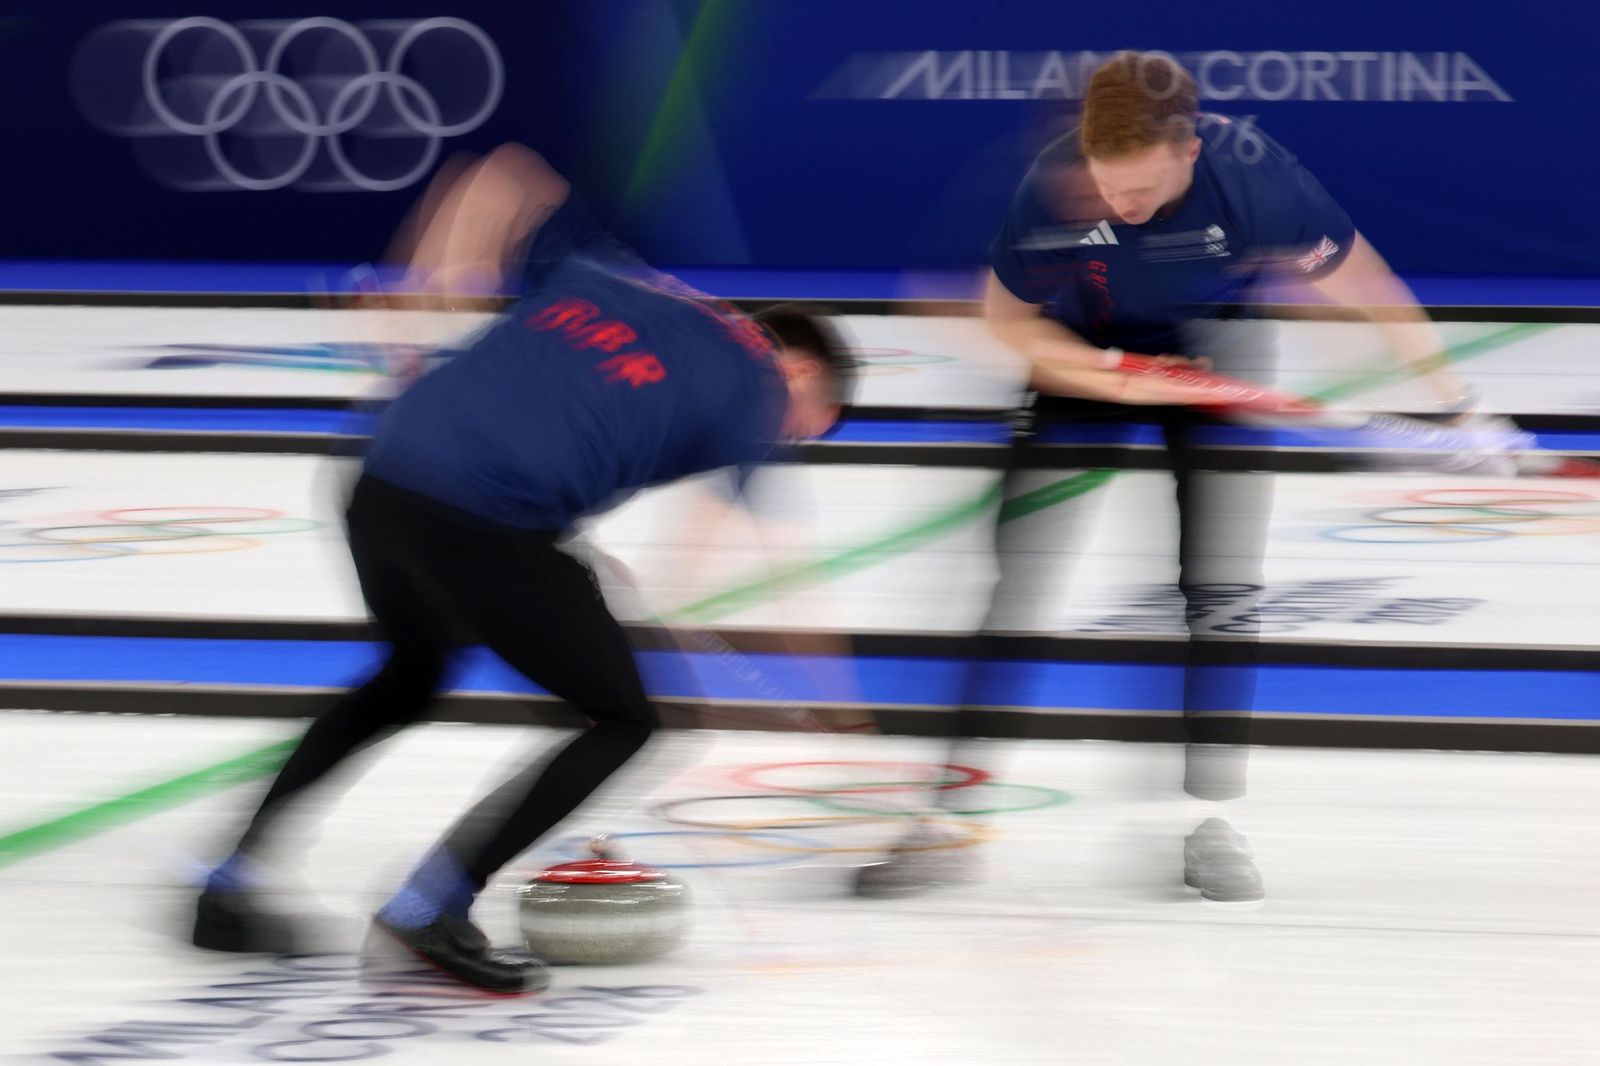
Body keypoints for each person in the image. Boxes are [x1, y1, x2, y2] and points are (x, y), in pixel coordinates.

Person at [190, 144, 852, 993]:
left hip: (382, 478)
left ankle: (227, 885)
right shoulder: (753, 385)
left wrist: (419, 287)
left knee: (407, 677)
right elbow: (767, 568)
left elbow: (503, 175)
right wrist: (842, 708)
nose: (788, 437)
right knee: (627, 717)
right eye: (810, 424)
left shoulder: (624, 278)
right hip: (479, 516)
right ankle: (431, 906)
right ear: (798, 368)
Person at [860, 51, 1497, 903]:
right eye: (1104, 184)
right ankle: (948, 818)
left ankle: (1206, 823)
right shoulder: (1053, 189)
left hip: (1217, 351)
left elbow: (1371, 290)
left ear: (1189, 150)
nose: (1116, 206)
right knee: (1017, 579)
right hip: (1087, 358)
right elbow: (1007, 324)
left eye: (1138, 192)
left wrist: (1460, 406)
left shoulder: (1256, 182)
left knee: (1221, 594)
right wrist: (1117, 375)